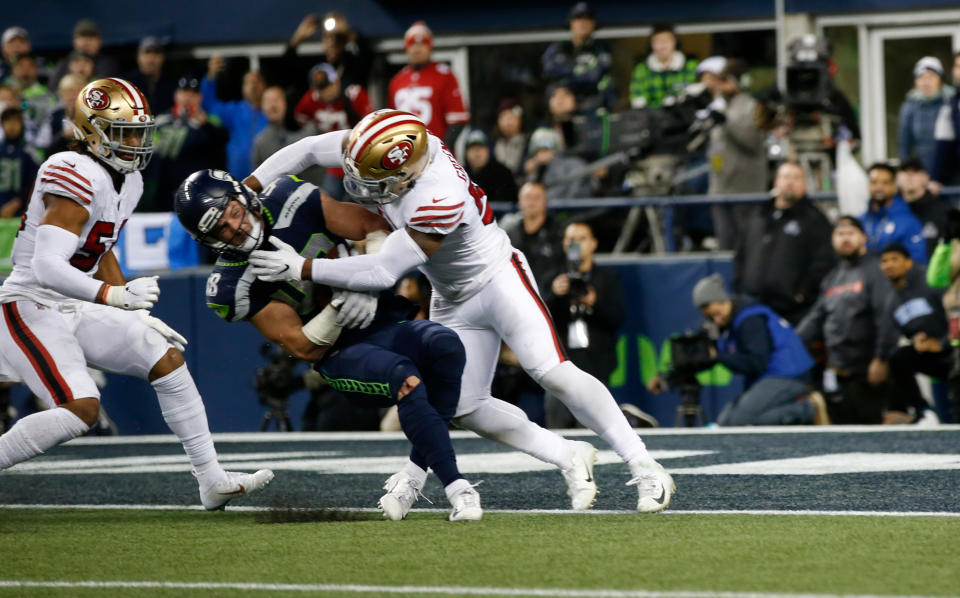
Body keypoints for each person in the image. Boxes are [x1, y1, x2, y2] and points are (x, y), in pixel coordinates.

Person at [243, 109, 676, 514]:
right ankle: (567, 455)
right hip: (451, 296)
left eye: (378, 181)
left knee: (550, 371)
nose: (366, 188)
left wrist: (302, 267)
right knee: (462, 405)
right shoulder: (380, 144)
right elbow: (305, 149)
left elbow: (382, 270)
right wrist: (252, 185)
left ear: (408, 172)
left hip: (496, 279)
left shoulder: (438, 195)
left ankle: (644, 466)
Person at [0, 78, 272, 509]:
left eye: (138, 132)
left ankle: (211, 479)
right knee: (83, 407)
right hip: (29, 303)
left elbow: (101, 249)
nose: (135, 142)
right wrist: (113, 299)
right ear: (92, 132)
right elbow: (46, 267)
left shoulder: (130, 182)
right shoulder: (73, 171)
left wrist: (130, 308)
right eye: (123, 132)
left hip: (73, 302)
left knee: (163, 356)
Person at [174, 169, 481, 521]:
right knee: (404, 377)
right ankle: (458, 488)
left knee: (446, 344)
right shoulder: (231, 285)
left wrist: (365, 280)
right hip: (338, 351)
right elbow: (305, 347)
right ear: (208, 241)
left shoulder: (288, 199)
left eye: (232, 213)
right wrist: (339, 305)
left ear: (242, 197)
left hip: (378, 314)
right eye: (220, 230)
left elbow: (374, 227)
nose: (236, 228)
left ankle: (412, 477)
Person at [652, 274, 829, 426]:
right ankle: (801, 407)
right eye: (708, 315)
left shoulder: (749, 318)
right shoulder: (724, 323)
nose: (715, 318)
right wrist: (667, 378)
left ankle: (808, 408)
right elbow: (703, 358)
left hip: (789, 374)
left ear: (723, 300)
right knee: (726, 422)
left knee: (740, 422)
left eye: (715, 312)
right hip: (768, 376)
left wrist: (719, 356)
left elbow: (757, 362)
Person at [796, 216, 900, 424]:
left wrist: (881, 358)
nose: (845, 239)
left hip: (867, 371)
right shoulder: (833, 277)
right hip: (838, 371)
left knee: (873, 436)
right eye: (840, 234)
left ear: (863, 238)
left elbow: (886, 314)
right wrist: (790, 341)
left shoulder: (874, 270)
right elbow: (816, 318)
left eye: (850, 233)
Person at [543, 221, 627, 428]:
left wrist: (594, 302)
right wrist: (553, 294)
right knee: (558, 430)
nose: (576, 244)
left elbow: (617, 319)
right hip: (560, 366)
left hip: (596, 367)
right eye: (571, 239)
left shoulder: (607, 279)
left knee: (595, 430)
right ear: (564, 244)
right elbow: (537, 319)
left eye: (581, 239)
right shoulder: (553, 279)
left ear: (593, 244)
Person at [733, 162, 835, 325]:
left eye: (796, 178)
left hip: (793, 310)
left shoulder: (815, 220)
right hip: (752, 303)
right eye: (785, 177)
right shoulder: (758, 215)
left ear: (804, 185)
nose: (790, 182)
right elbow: (741, 254)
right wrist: (741, 286)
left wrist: (802, 293)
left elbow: (823, 262)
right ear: (776, 182)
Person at [879, 243, 946, 424]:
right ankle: (922, 411)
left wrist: (942, 342)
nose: (889, 265)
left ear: (908, 262)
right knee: (899, 358)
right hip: (929, 354)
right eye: (884, 261)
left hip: (952, 347)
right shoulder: (891, 300)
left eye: (894, 259)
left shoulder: (930, 282)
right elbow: (891, 333)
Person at [706, 59, 767, 250]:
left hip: (746, 191)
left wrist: (726, 122)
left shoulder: (755, 107)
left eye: (725, 81)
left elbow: (753, 141)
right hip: (720, 189)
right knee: (725, 247)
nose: (720, 86)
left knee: (748, 246)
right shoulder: (718, 106)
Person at [293, 62, 374, 198]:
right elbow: (299, 122)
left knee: (367, 204)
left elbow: (371, 126)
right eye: (320, 89)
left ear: (336, 82)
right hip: (334, 163)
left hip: (361, 162)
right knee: (329, 205)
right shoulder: (310, 100)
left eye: (327, 86)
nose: (325, 92)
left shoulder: (354, 95)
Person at [149, 77, 228, 212]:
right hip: (164, 191)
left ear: (200, 98)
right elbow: (150, 153)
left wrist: (205, 125)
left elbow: (223, 140)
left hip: (197, 190)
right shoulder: (160, 121)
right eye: (184, 92)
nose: (188, 97)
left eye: (193, 94)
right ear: (176, 95)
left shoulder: (210, 120)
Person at [388, 21, 469, 146]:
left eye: (422, 44)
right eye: (413, 44)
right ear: (406, 48)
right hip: (406, 155)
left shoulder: (445, 75)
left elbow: (457, 121)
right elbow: (392, 124)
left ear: (430, 47)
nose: (417, 49)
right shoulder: (397, 80)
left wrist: (441, 150)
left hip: (437, 154)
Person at [201, 56, 268, 178]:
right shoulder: (234, 111)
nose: (253, 85)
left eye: (257, 81)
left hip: (267, 181)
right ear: (242, 88)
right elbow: (208, 106)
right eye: (248, 82)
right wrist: (210, 78)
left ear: (264, 86)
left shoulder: (271, 111)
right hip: (239, 182)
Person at [542, 2, 615, 113]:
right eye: (578, 19)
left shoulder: (602, 49)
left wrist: (567, 75)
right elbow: (549, 70)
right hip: (564, 110)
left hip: (593, 109)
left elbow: (595, 77)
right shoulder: (559, 47)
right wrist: (578, 70)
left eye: (587, 19)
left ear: (593, 24)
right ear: (571, 23)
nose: (582, 23)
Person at [501, 181, 566, 291]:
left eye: (537, 197)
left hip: (548, 296)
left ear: (545, 201)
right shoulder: (508, 232)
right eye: (527, 197)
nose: (531, 202)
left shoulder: (558, 233)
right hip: (514, 292)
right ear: (520, 201)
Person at [861, 163, 926, 264]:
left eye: (885, 183)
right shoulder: (861, 220)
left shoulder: (908, 221)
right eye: (874, 182)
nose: (879, 188)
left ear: (894, 186)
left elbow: (917, 261)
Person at [898, 57, 953, 176]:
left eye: (931, 77)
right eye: (921, 77)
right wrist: (907, 171)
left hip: (952, 170)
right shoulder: (909, 107)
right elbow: (904, 144)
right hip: (921, 171)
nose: (926, 82)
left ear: (940, 80)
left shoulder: (951, 103)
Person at [629, 23, 698, 110]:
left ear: (674, 42)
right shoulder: (642, 69)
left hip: (685, 117)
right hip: (654, 119)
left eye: (666, 41)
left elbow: (697, 97)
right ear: (651, 45)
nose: (662, 46)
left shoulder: (691, 66)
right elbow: (638, 100)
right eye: (657, 41)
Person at [897, 159, 950, 260]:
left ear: (926, 177)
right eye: (904, 171)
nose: (909, 176)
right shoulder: (891, 210)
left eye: (915, 172)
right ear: (897, 179)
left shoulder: (943, 212)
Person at [49, 20, 118, 90]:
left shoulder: (107, 65)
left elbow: (104, 91)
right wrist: (74, 77)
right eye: (82, 37)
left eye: (91, 37)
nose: (86, 42)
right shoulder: (64, 64)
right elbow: (52, 91)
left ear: (100, 41)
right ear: (74, 40)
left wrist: (83, 78)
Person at [122, 36, 177, 117]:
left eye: (156, 54)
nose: (151, 59)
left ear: (162, 58)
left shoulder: (172, 85)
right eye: (147, 53)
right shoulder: (126, 84)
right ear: (138, 57)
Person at [0, 106, 39, 218]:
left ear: (22, 125)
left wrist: (17, 202)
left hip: (21, 213)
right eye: (8, 121)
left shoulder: (29, 152)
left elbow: (34, 183)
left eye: (16, 121)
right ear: (2, 124)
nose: (12, 126)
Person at [463, 129, 517, 205]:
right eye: (473, 149)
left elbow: (509, 203)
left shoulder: (503, 173)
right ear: (466, 153)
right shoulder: (461, 175)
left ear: (488, 151)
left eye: (480, 148)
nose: (477, 153)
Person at [492, 99, 528, 182]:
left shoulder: (529, 142)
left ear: (520, 119)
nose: (508, 122)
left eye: (511, 117)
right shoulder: (492, 145)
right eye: (504, 118)